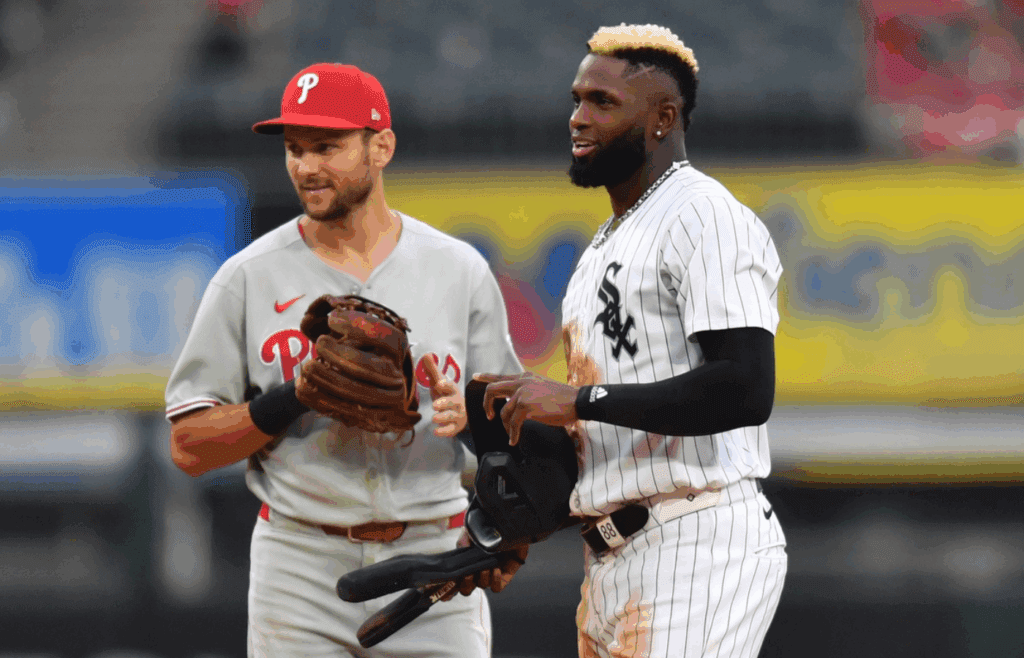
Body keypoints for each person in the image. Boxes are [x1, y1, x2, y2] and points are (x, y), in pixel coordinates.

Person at [164, 62, 523, 657]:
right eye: (295, 148)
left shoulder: (458, 270)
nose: (305, 166)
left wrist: (476, 421)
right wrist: (291, 398)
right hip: (300, 563)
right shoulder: (248, 277)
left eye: (326, 146)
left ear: (380, 146)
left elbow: (519, 432)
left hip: (434, 558)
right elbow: (188, 446)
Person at [474, 24, 788, 657]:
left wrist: (581, 402)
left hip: (697, 539)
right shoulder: (606, 243)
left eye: (602, 102)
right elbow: (612, 433)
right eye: (577, 99)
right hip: (615, 559)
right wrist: (515, 527)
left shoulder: (704, 214)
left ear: (663, 118)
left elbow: (745, 388)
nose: (578, 118)